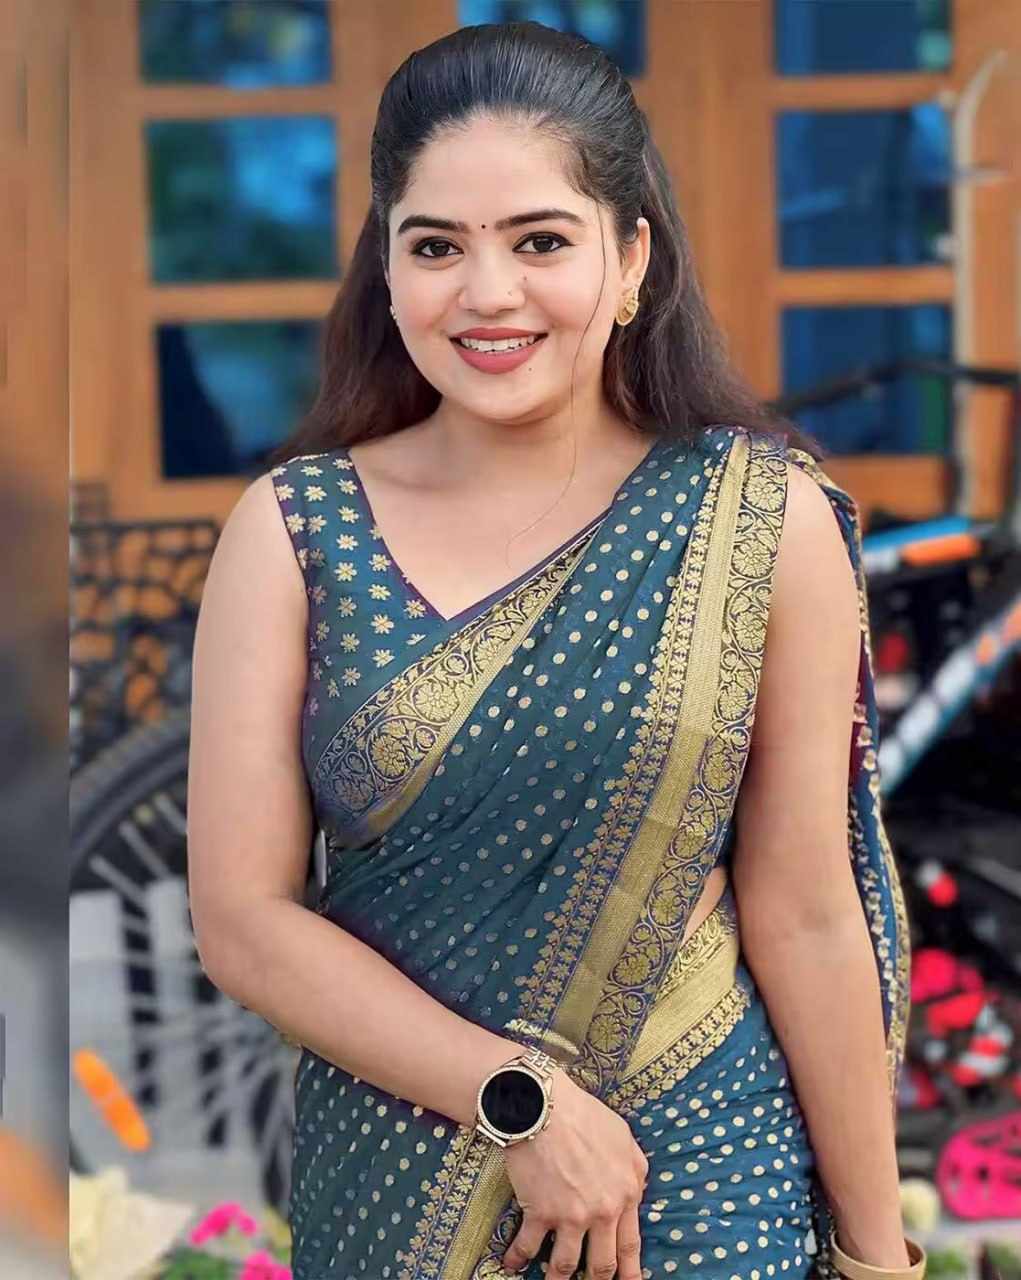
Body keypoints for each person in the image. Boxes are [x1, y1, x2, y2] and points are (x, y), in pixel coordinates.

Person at [187, 21, 923, 1280]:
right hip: (402, 1183)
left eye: (539, 241)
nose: (487, 293)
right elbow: (244, 920)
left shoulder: (759, 520)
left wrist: (873, 1252)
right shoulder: (298, 531)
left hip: (701, 1175)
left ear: (630, 258)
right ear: (386, 270)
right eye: (436, 246)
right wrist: (518, 1100)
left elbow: (804, 906)